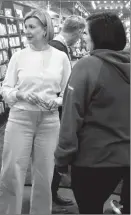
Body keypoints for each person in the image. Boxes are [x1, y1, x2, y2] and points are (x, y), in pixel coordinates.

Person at [0, 9, 71, 214]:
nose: (26, 32)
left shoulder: (61, 57)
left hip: (49, 121)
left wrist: (55, 101)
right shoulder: (18, 56)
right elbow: (6, 88)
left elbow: (68, 93)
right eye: (25, 27)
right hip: (20, 118)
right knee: (11, 173)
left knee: (45, 176)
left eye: (32, 27)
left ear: (45, 29)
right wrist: (19, 95)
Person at [54, 12, 130, 214]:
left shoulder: (87, 66)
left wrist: (62, 158)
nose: (83, 36)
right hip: (125, 159)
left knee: (89, 209)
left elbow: (71, 117)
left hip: (92, 160)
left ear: (98, 36)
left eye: (86, 32)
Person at [49, 15, 86, 208]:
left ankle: (51, 194)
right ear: (78, 32)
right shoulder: (58, 48)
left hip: (55, 106)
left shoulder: (57, 45)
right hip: (55, 108)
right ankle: (50, 196)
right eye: (81, 34)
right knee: (55, 151)